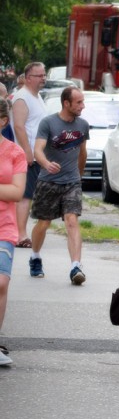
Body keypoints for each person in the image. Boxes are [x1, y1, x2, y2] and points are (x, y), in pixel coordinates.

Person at [30, 86, 90, 283]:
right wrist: (46, 164)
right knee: (44, 223)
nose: (83, 106)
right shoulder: (48, 123)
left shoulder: (82, 125)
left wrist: (78, 177)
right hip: (48, 180)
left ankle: (76, 267)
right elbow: (37, 149)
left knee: (71, 221)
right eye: (79, 102)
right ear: (66, 103)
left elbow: (82, 153)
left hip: (71, 181)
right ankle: (35, 256)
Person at [0, 98, 28, 367]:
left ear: (3, 121)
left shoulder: (14, 153)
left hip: (4, 227)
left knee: (1, 283)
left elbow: (17, 192)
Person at [11, 62, 46, 249]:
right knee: (25, 196)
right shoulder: (22, 98)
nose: (43, 78)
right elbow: (18, 125)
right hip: (28, 154)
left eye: (44, 75)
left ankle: (24, 232)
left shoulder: (37, 96)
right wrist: (27, 151)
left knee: (31, 195)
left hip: (37, 154)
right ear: (28, 77)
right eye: (39, 75)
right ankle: (20, 234)